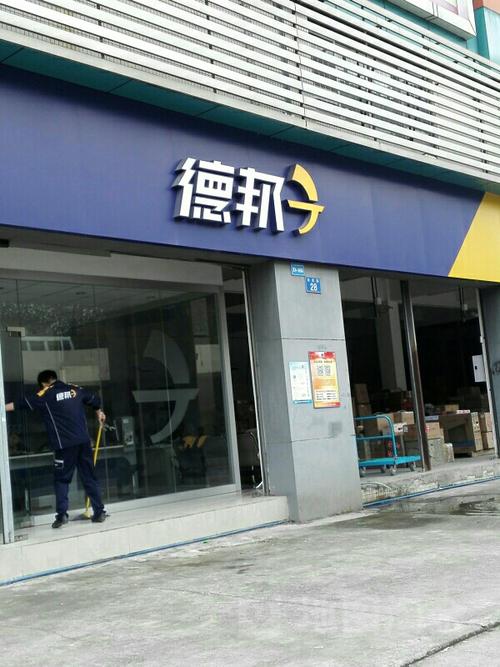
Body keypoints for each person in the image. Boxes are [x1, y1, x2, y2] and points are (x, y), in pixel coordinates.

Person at [6, 370, 107, 528]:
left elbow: (19, 404)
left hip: (64, 445)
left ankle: (61, 516)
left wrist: (1, 407)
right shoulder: (75, 389)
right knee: (89, 477)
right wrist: (99, 412)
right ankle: (99, 512)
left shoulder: (45, 394)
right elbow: (95, 399)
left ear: (44, 383)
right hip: (83, 442)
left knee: (62, 480)